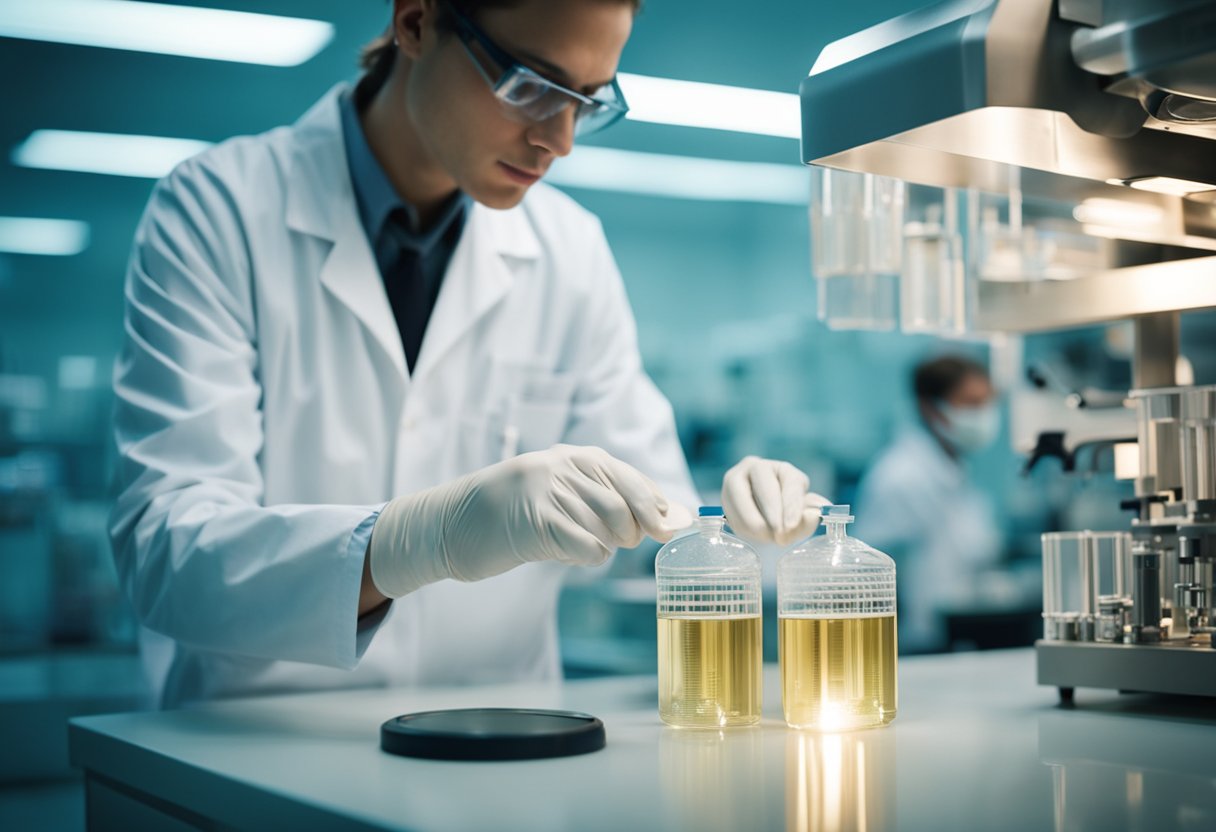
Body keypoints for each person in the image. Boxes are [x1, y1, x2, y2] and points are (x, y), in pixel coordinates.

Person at [109, 0, 824, 707]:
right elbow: (165, 552)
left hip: (508, 748)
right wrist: (415, 541)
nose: (560, 140)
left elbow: (651, 529)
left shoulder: (569, 251)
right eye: (533, 85)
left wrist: (736, 522)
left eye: (587, 101)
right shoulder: (217, 210)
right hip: (261, 747)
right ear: (416, 21)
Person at [854, 354, 1003, 653]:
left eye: (988, 403)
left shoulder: (954, 469)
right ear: (931, 408)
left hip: (961, 638)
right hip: (919, 648)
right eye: (971, 404)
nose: (984, 415)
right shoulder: (900, 477)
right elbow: (864, 580)